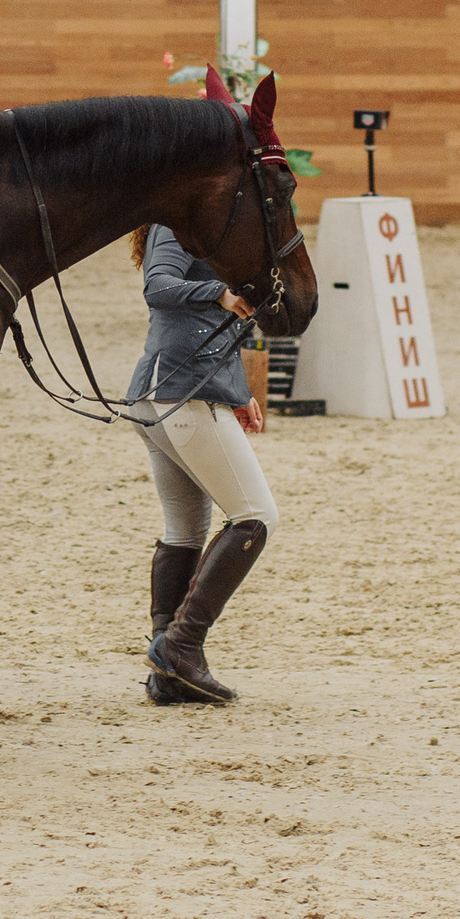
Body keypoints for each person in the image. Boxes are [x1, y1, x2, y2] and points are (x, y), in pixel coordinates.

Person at [127, 223, 277, 706]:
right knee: (256, 516)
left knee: (186, 529)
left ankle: (168, 672)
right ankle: (181, 645)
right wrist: (222, 293)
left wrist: (238, 390)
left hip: (163, 394)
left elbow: (211, 330)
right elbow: (160, 287)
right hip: (180, 393)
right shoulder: (174, 225)